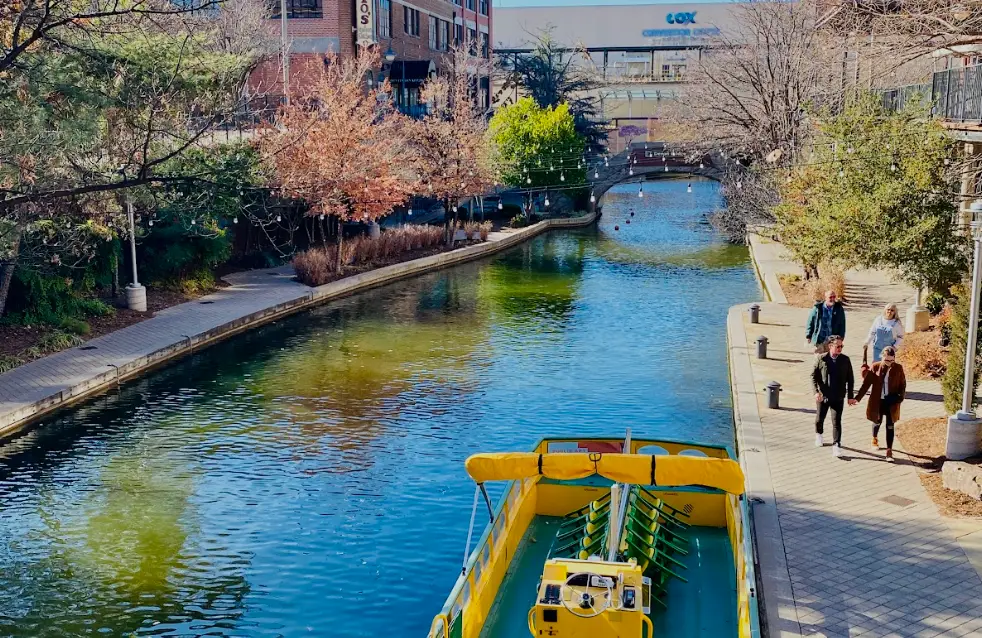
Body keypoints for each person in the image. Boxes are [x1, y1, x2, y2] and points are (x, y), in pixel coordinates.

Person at [854, 346, 906, 462]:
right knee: (877, 421)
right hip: (878, 401)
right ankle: (874, 438)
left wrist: (900, 398)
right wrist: (857, 398)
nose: (889, 363)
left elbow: (903, 385)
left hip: (891, 401)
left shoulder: (898, 368)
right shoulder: (875, 367)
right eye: (887, 360)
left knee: (890, 425)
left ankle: (889, 450)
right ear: (882, 357)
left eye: (892, 360)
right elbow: (866, 384)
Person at [811, 335, 857, 457]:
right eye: (838, 346)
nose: (840, 348)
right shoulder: (821, 359)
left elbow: (850, 379)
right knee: (819, 418)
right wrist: (816, 392)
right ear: (830, 346)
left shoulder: (845, 360)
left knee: (836, 421)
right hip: (823, 395)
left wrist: (850, 396)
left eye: (842, 346)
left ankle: (836, 445)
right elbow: (813, 377)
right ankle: (819, 434)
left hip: (838, 396)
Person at [805, 290, 846, 355]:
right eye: (830, 297)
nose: (832, 299)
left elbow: (842, 324)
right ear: (825, 298)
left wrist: (841, 338)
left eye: (834, 297)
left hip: (832, 341)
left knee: (831, 361)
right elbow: (811, 321)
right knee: (818, 360)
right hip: (819, 340)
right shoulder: (818, 308)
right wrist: (808, 336)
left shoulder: (838, 309)